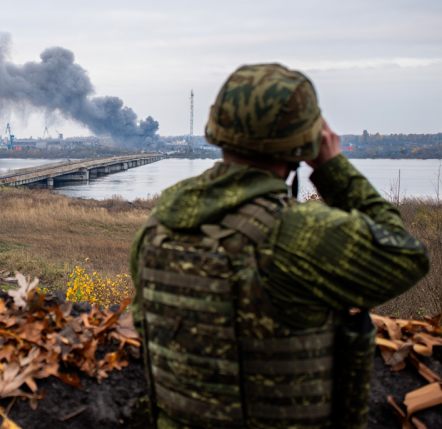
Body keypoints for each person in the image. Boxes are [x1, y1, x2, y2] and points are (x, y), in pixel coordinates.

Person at [130, 64, 429, 429]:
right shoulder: (298, 233)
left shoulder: (158, 226)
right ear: (304, 143)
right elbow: (407, 255)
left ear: (217, 129)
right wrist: (333, 168)